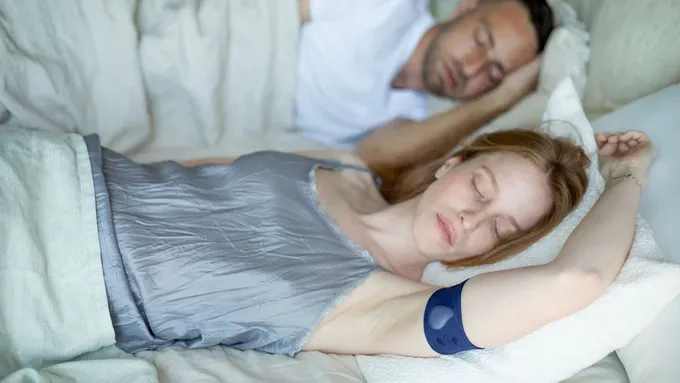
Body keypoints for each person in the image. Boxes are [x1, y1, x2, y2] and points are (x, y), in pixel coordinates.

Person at [3, 122, 655, 363]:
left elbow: (576, 282)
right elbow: (188, 177)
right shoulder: (344, 169)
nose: (477, 221)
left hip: (45, 279)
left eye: (503, 230)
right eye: (481, 188)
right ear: (452, 162)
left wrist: (627, 178)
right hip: (45, 165)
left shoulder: (391, 306)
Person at [295, 0, 556, 174]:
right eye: (479, 41)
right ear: (465, 7)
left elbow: (371, 156)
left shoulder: (419, 117)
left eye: (493, 73)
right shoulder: (385, 7)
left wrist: (501, 99)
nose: (471, 68)